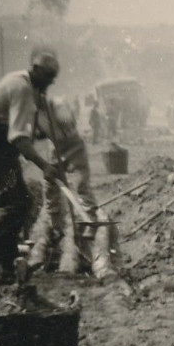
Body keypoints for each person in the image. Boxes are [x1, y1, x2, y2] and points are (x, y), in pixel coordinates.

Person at [0, 50, 63, 281]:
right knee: (18, 204)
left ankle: (7, 268)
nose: (50, 83)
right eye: (48, 78)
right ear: (37, 71)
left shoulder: (22, 80)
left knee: (5, 204)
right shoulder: (22, 90)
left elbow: (24, 125)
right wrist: (45, 166)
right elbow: (19, 138)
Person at [26, 95, 116, 278]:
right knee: (50, 185)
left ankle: (88, 221)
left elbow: (67, 127)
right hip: (54, 148)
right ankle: (53, 224)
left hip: (73, 146)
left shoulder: (59, 105)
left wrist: (48, 127)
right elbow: (37, 134)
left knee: (81, 184)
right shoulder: (34, 113)